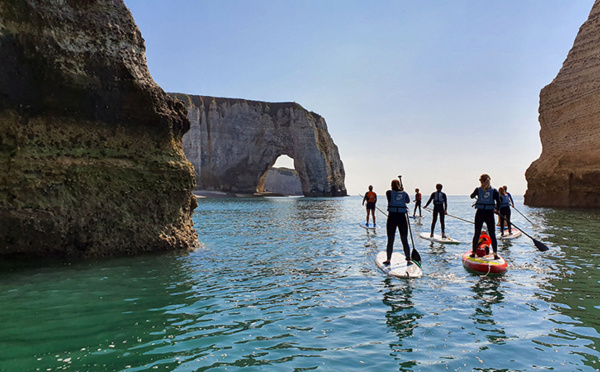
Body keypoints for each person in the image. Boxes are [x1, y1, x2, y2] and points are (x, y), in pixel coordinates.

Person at [470, 174, 500, 259]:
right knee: (492, 234)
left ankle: (473, 253)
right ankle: (495, 254)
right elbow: (498, 202)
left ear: (482, 181)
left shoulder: (478, 189)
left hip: (480, 213)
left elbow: (471, 196)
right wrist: (497, 210)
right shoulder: (494, 191)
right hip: (489, 214)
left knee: (477, 233)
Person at [383, 179, 411, 265]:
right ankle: (408, 259)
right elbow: (407, 201)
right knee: (404, 239)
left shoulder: (388, 193)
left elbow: (390, 199)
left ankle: (388, 259)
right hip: (402, 217)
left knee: (390, 239)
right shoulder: (404, 193)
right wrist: (402, 191)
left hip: (392, 217)